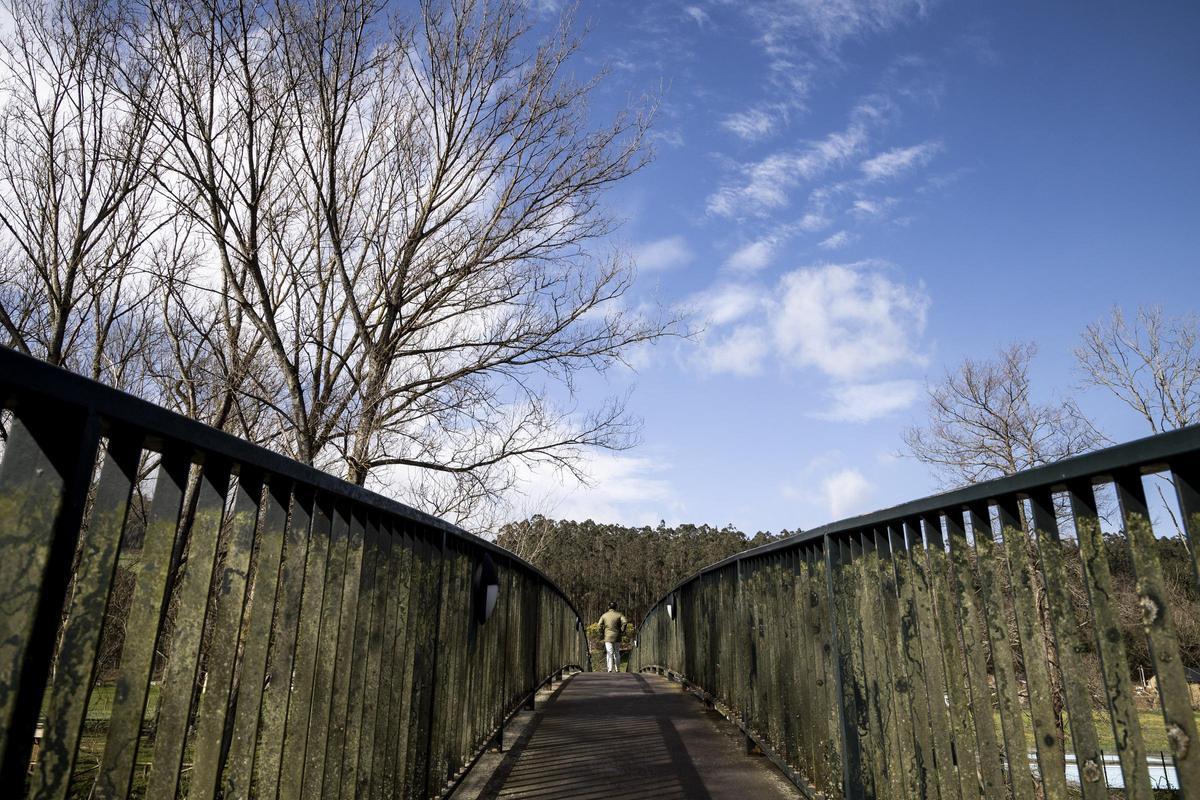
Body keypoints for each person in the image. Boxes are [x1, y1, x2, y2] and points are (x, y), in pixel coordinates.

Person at [596, 602, 629, 673]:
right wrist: (622, 630)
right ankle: (618, 669)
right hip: (617, 636)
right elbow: (625, 622)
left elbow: (599, 625)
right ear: (616, 607)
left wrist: (602, 632)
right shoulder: (619, 615)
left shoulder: (604, 615)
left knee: (609, 653)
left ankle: (610, 669)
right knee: (617, 652)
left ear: (608, 607)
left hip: (607, 637)